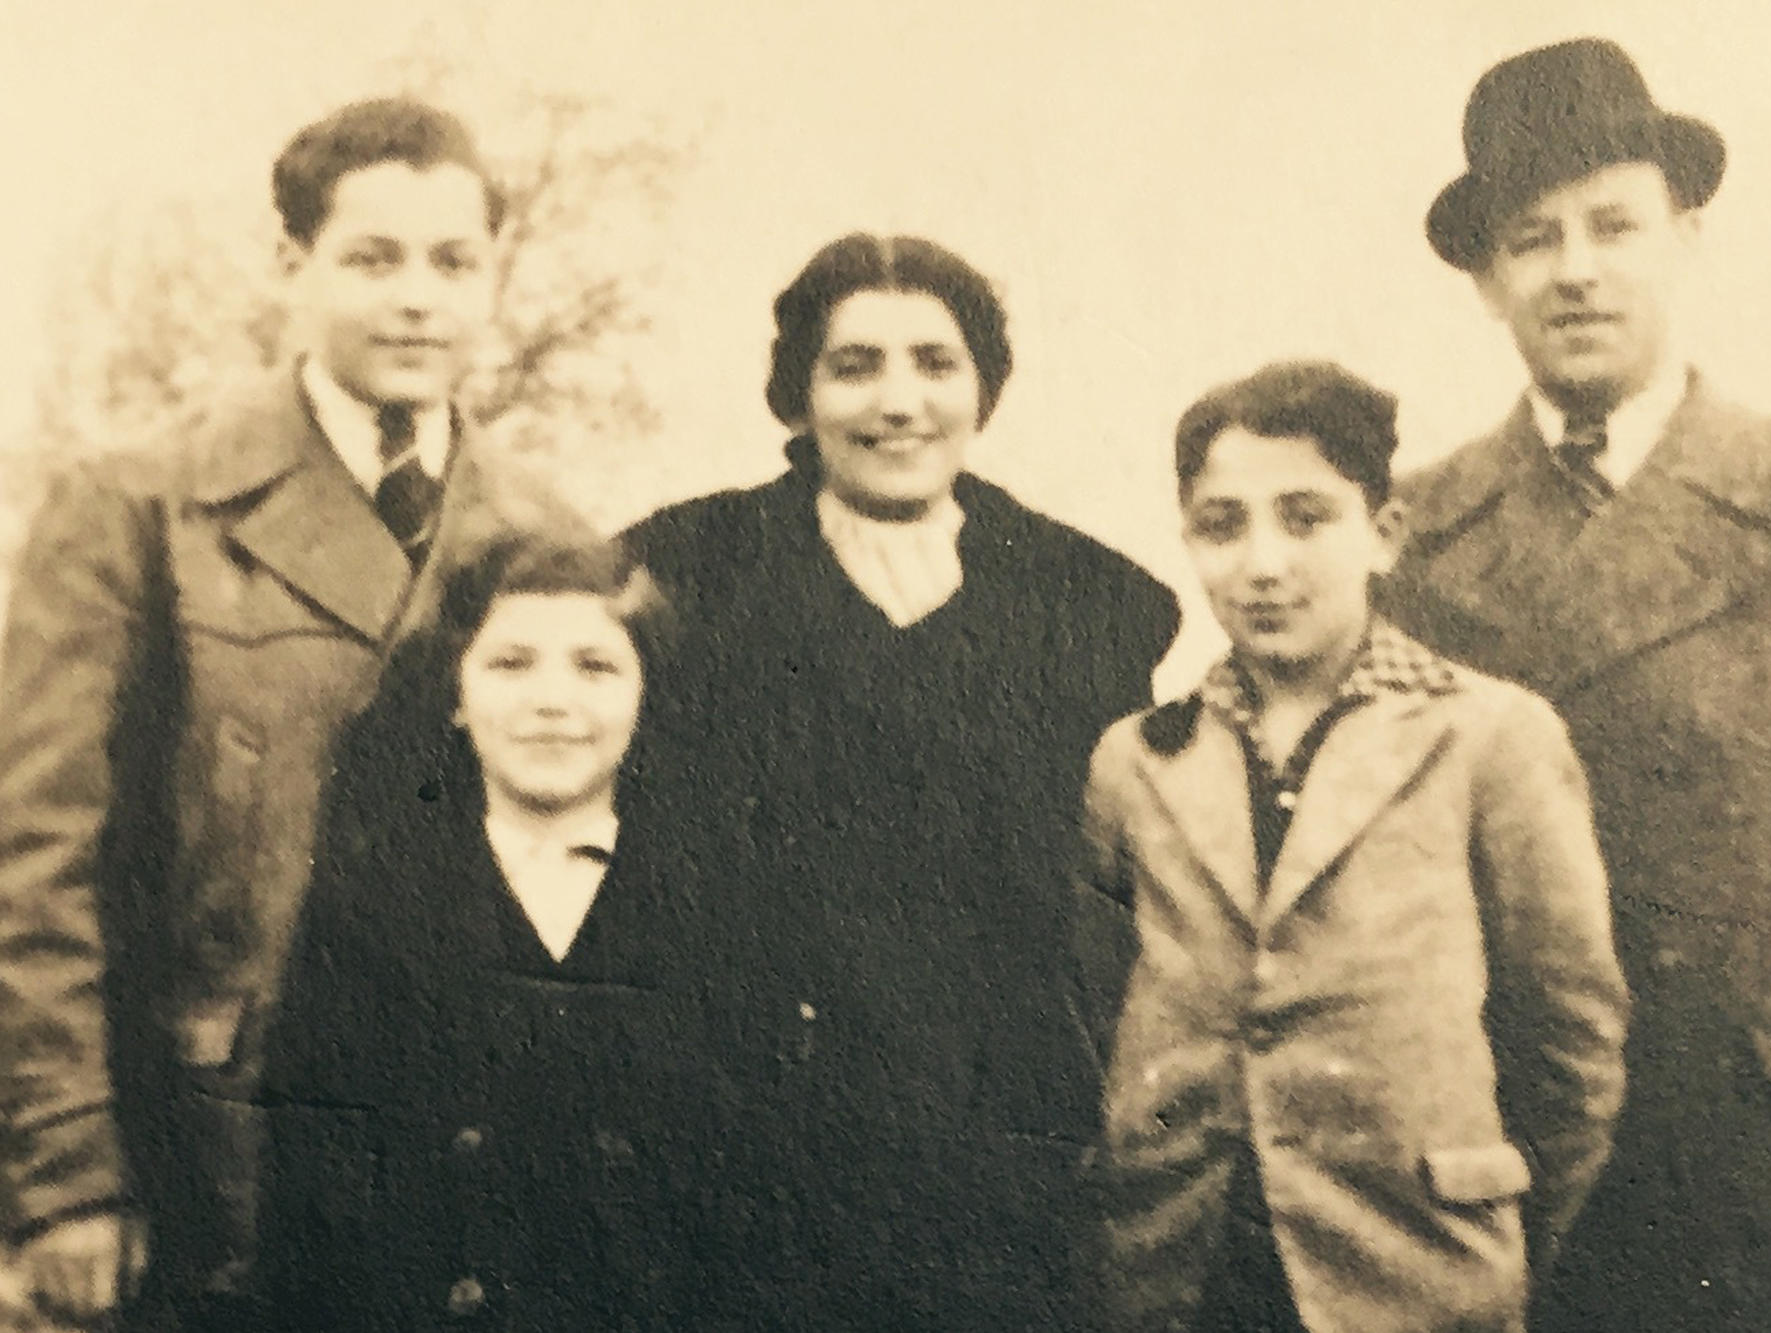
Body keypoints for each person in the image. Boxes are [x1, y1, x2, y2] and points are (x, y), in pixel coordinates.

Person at [1380, 37, 1771, 1332]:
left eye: (1615, 223)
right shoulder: (1413, 534)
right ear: (1489, 279)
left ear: (1687, 236)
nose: (1578, 268)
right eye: (1534, 237)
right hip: (1493, 1168)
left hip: (1753, 1169)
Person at [0, 97, 563, 1328]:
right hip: (207, 1164)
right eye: (372, 258)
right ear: (290, 265)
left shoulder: (549, 539)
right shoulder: (139, 507)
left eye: (453, 262)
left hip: (467, 1167)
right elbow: (33, 867)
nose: (417, 297)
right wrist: (61, 1179)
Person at [622, 232, 1182, 1330]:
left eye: (934, 362)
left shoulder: (1090, 601)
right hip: (741, 1152)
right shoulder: (682, 572)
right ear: (798, 393)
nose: (898, 402)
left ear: (983, 387)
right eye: (854, 364)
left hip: (1001, 1158)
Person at [1088, 361, 1627, 1333]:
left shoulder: (1486, 735)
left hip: (1411, 1269)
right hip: (1184, 1271)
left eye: (1304, 517)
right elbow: (1096, 1003)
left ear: (1381, 534)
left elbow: (1569, 1043)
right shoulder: (1139, 758)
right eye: (1221, 524)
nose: (1261, 563)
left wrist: (1485, 1235)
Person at [258, 530, 729, 1330]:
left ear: (649, 693)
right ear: (454, 690)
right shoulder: (370, 908)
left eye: (596, 665)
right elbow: (314, 1207)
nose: (552, 700)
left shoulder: (717, 912)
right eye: (511, 663)